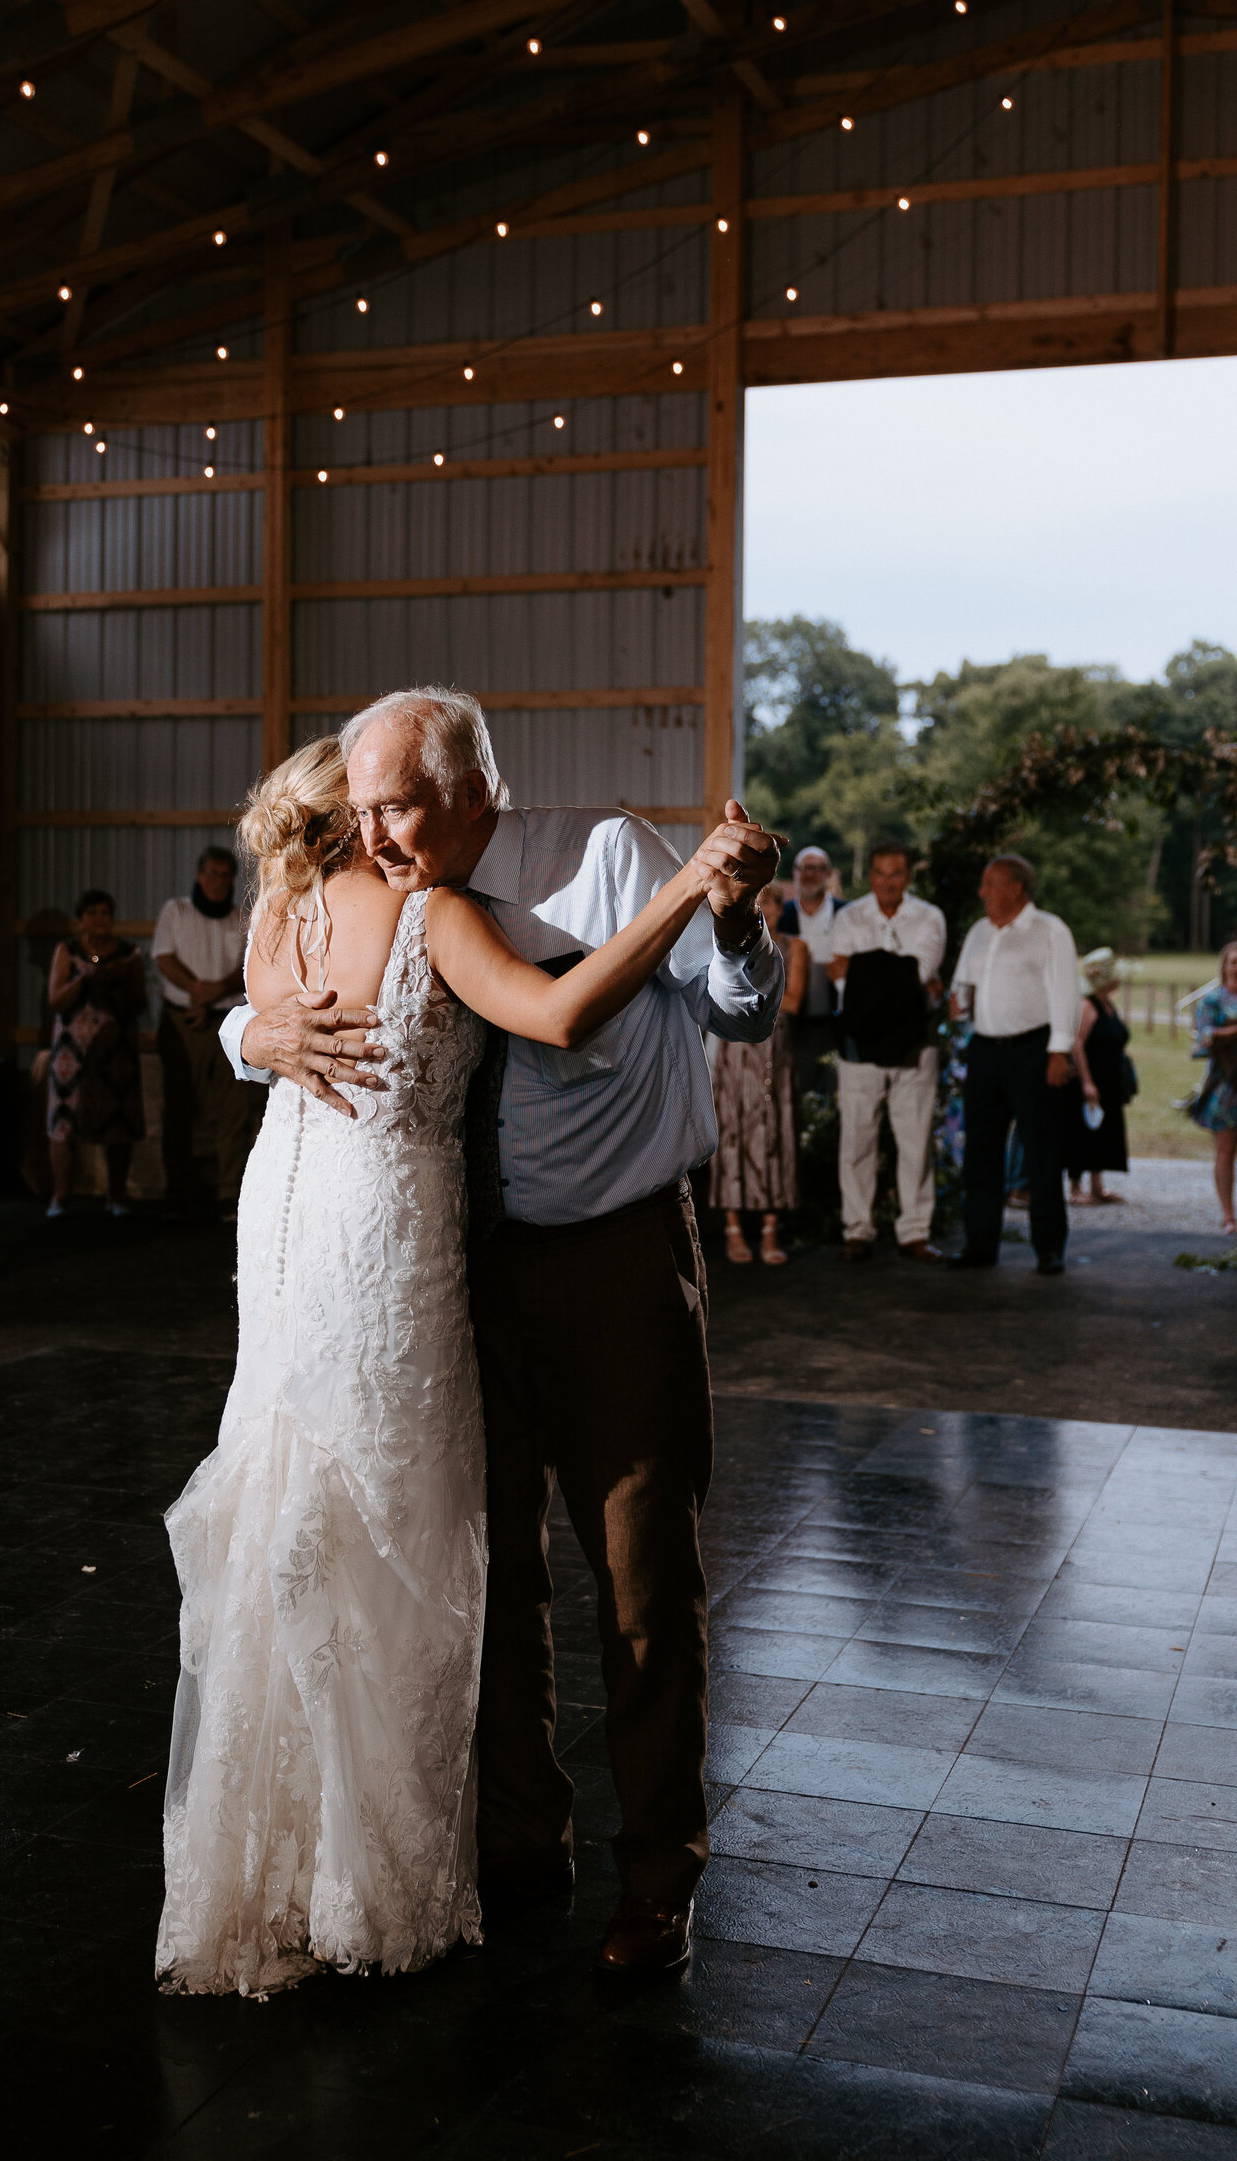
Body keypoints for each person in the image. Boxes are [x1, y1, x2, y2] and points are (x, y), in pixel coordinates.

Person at [196, 690, 784, 1988]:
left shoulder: (616, 857)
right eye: (360, 804)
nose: (376, 830)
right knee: (483, 1568)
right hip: (451, 1267)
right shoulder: (387, 883)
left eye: (397, 805)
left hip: (617, 1255)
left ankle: (657, 1878)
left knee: (641, 1585)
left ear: (475, 789)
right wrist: (248, 1031)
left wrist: (729, 915)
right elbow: (281, 982)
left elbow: (739, 1012)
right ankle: (521, 1842)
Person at [948, 854, 1079, 1276]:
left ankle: (1049, 1247)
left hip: (1034, 1051)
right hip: (985, 1050)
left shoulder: (1049, 930)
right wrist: (956, 1002)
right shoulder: (979, 931)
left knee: (1041, 1150)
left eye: (990, 884)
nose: (982, 891)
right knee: (981, 1152)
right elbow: (961, 984)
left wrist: (1059, 1051)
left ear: (1016, 888)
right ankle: (980, 1244)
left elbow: (1065, 993)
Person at [826, 841, 948, 1263]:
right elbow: (842, 982)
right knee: (857, 1140)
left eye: (896, 874)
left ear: (908, 877)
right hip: (859, 1041)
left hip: (916, 1043)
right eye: (879, 873)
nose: (887, 882)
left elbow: (921, 970)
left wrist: (862, 968)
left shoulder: (929, 917)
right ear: (871, 875)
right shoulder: (849, 916)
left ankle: (914, 1232)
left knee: (914, 1141)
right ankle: (857, 1229)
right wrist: (901, 978)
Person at [152, 846, 260, 1224]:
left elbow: (249, 965)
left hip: (229, 1020)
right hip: (185, 1022)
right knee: (181, 1109)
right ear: (199, 875)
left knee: (235, 1110)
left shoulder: (240, 917)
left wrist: (215, 991)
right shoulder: (176, 910)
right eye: (211, 873)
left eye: (225, 875)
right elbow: (164, 957)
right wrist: (198, 991)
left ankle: (229, 1193)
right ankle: (179, 1192)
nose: (218, 882)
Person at [709, 879, 806, 1264]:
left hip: (775, 1049)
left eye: (770, 903)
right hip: (733, 1047)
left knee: (775, 1130)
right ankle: (733, 1229)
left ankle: (770, 1231)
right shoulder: (726, 942)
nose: (763, 909)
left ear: (781, 908)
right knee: (731, 1126)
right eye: (756, 903)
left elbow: (795, 1002)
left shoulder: (796, 947)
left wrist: (746, 999)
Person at [46, 890, 147, 1218]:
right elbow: (56, 1000)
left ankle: (115, 1196)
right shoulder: (67, 951)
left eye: (105, 912)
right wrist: (83, 981)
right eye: (92, 913)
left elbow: (140, 1002)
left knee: (118, 1116)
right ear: (80, 919)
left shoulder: (129, 953)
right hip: (72, 1049)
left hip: (115, 1046)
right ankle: (60, 1197)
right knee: (64, 1116)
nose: (99, 919)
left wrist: (114, 980)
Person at [1065, 948, 1133, 1205]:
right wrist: (1087, 1081)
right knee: (1083, 1130)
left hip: (1110, 1080)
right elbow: (1077, 1043)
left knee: (1103, 1131)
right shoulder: (1088, 1004)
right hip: (1091, 1077)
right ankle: (1075, 1187)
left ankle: (1097, 1185)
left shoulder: (1107, 1004)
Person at [778, 845, 844, 1093]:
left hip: (836, 1022)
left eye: (816, 868)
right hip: (792, 1023)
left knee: (834, 1091)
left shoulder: (845, 914)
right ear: (794, 874)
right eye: (804, 868)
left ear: (828, 874)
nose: (809, 874)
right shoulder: (780, 916)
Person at [1190, 938, 1237, 1235]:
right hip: (1225, 1085)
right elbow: (1205, 1038)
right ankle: (1228, 1214)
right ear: (1225, 965)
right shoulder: (1212, 1000)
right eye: (1234, 961)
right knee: (1225, 1151)